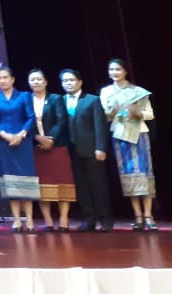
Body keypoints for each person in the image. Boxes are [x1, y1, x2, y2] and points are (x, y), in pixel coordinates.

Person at [100, 57, 157, 231]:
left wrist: (138, 114)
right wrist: (112, 112)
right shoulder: (106, 92)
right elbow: (105, 116)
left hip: (139, 133)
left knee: (144, 173)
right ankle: (137, 215)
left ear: (125, 71)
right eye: (111, 70)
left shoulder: (138, 92)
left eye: (118, 69)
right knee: (128, 174)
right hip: (119, 134)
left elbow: (150, 114)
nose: (114, 72)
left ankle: (148, 215)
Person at [0, 66, 40, 232]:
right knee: (9, 180)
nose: (2, 81)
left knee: (26, 179)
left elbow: (30, 117)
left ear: (12, 79)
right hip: (3, 144)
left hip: (22, 142)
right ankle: (16, 219)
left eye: (5, 77)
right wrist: (5, 135)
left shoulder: (24, 96)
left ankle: (29, 219)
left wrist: (21, 134)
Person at [60, 68, 114, 232]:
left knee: (98, 185)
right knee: (81, 186)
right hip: (71, 150)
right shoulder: (61, 100)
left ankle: (105, 220)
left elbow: (100, 126)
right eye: (65, 81)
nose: (68, 83)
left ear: (80, 82)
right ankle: (89, 219)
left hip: (91, 149)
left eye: (71, 80)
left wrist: (101, 147)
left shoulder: (92, 100)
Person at [27, 68, 75, 231]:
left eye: (39, 79)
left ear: (46, 82)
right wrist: (37, 137)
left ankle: (63, 220)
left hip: (57, 146)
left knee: (63, 183)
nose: (36, 82)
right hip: (37, 147)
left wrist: (51, 139)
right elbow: (26, 123)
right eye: (32, 80)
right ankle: (48, 221)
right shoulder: (26, 100)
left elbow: (61, 121)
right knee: (43, 186)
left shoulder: (56, 99)